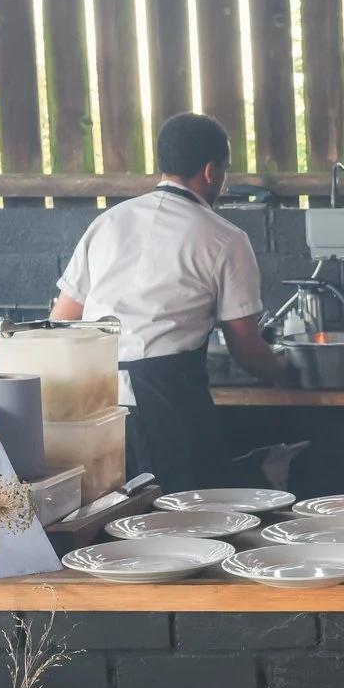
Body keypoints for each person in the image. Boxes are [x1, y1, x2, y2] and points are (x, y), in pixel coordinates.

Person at [48, 112, 291, 490]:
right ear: (211, 171)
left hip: (94, 404)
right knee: (184, 522)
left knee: (108, 521)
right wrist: (286, 373)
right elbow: (245, 346)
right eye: (225, 171)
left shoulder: (108, 223)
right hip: (167, 404)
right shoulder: (224, 238)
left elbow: (61, 321)